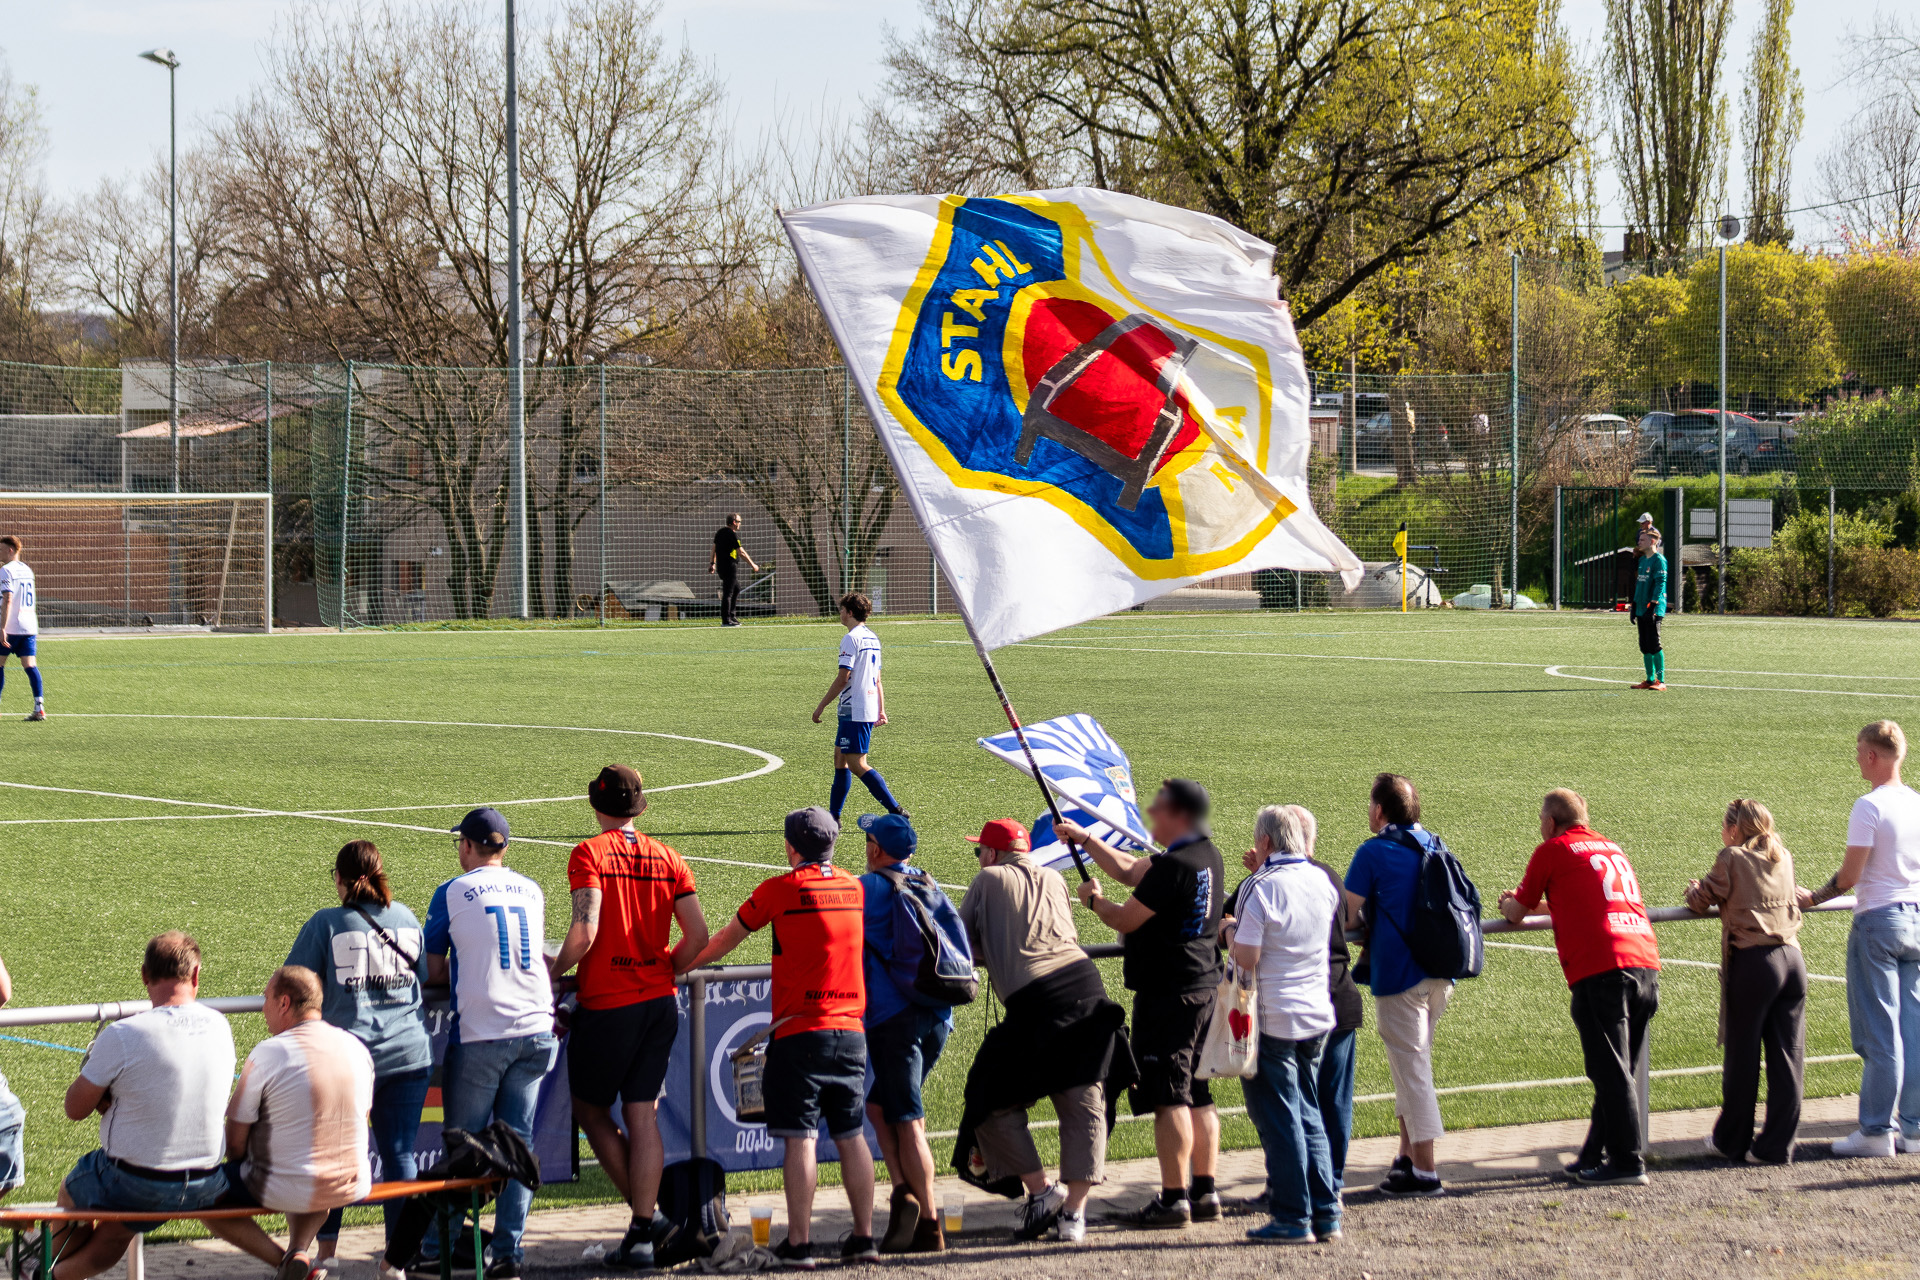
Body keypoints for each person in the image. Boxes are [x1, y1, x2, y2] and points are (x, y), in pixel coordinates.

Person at [685, 807, 876, 1269]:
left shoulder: (780, 889)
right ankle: (865, 1238)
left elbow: (727, 938)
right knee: (852, 1136)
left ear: (791, 846)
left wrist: (682, 967)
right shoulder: (854, 887)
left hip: (800, 1031)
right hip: (851, 1030)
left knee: (801, 1138)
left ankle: (801, 1243)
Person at [553, 765, 709, 1269]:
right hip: (658, 1001)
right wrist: (664, 969)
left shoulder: (589, 853)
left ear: (595, 805)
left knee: (590, 1110)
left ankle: (653, 1223)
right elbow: (698, 937)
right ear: (640, 807)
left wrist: (552, 973)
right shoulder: (669, 856)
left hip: (609, 1004)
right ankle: (644, 1229)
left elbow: (584, 932)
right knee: (643, 1114)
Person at [953, 818, 1132, 1245]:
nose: (979, 859)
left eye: (979, 851)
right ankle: (1073, 1215)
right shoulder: (1054, 877)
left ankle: (1042, 1191)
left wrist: (994, 951)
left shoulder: (987, 878)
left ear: (991, 854)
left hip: (1036, 1001)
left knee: (987, 1098)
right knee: (1084, 1104)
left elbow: (959, 944)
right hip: (1087, 989)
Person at [1059, 778, 1224, 1229]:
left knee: (1170, 1096)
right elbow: (1133, 870)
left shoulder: (1174, 867)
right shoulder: (1204, 854)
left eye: (1159, 808)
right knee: (1198, 1091)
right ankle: (1204, 1191)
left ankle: (1173, 1199)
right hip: (1203, 986)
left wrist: (1093, 902)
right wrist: (1086, 839)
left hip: (1170, 994)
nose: (1151, 814)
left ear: (1180, 815)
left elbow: (1126, 918)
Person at [418, 808, 557, 1280]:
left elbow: (433, 969)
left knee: (465, 1145)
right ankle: (507, 1253)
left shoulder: (453, 890)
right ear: (504, 848)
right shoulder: (531, 888)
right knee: (518, 1144)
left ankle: (438, 1246)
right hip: (537, 1026)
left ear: (467, 846)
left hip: (484, 1031)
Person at [46, 933, 235, 1280]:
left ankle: (43, 1267)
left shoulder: (123, 1034)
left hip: (139, 1184)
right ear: (196, 975)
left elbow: (74, 1108)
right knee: (114, 1232)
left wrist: (105, 1092)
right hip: (208, 1181)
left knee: (75, 1186)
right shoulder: (220, 1025)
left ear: (144, 975)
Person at [1498, 788, 1661, 1185]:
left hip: (1602, 968)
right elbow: (1576, 898)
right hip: (1644, 962)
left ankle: (1628, 1161)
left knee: (1610, 1073)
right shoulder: (1610, 847)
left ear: (1550, 822)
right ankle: (1593, 1154)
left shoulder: (1552, 850)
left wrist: (1508, 903)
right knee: (1619, 1070)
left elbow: (1517, 912)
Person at [284, 840, 431, 1272]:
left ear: (339, 879)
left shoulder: (326, 923)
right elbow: (423, 975)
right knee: (400, 1155)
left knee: (332, 1155)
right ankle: (396, 1261)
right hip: (408, 1053)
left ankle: (324, 1255)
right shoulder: (406, 917)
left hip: (347, 1059)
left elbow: (293, 982)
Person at [1222, 804, 1359, 1206]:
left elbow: (1247, 957)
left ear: (1265, 841)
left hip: (1277, 1016)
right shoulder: (1323, 879)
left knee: (1282, 1117)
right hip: (1320, 1010)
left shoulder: (1260, 885)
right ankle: (1325, 1206)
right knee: (1313, 1113)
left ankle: (1293, 1212)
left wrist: (1228, 932)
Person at [206, 966, 377, 1280]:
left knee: (200, 1195)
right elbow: (362, 1117)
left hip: (287, 1184)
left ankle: (283, 1263)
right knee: (313, 1169)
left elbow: (235, 1143)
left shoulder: (269, 1053)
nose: (263, 1008)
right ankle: (298, 1250)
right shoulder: (357, 1048)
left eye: (266, 998)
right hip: (350, 1182)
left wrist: (245, 1159)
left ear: (284, 1003)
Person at [1802, 720, 1920, 1158]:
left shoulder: (1869, 806)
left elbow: (1849, 877)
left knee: (1880, 1033)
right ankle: (1915, 1129)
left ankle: (1875, 1130)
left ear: (1872, 755)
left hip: (1879, 921)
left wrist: (1813, 897)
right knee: (1914, 1030)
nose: (1856, 759)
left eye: (1858, 752)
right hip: (1916, 918)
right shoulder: (1916, 802)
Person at [1343, 774, 1453, 1196]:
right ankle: (1406, 1158)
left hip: (1400, 975)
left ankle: (1426, 1172)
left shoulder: (1373, 851)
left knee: (1413, 1072)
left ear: (1379, 810)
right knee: (1411, 1068)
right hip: (1441, 970)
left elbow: (1347, 918)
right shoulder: (1436, 843)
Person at [1685, 799, 1805, 1164]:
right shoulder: (1782, 856)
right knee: (1788, 1057)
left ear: (1735, 830)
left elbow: (1700, 901)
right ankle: (1776, 1146)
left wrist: (1693, 889)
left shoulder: (1731, 857)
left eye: (1724, 828)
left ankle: (1732, 1140)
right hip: (1793, 960)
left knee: (1743, 1056)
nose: (1722, 834)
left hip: (1754, 963)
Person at [855, 814, 951, 1254]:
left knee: (909, 1119)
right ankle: (903, 1193)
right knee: (880, 1108)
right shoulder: (928, 881)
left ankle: (929, 1221)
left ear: (876, 849)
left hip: (894, 1018)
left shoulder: (867, 888)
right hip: (938, 1013)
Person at [812, 592, 904, 823]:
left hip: (855, 707)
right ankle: (834, 817)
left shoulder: (851, 638)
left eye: (842, 610)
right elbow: (877, 678)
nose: (840, 614)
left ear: (850, 612)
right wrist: (881, 709)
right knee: (840, 758)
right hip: (862, 706)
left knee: (857, 763)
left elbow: (843, 678)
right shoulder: (872, 637)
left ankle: (896, 810)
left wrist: (821, 706)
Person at [0, 535, 45, 721]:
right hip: (29, 626)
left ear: (10, 550)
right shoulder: (27, 569)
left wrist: (2, 628)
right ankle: (39, 707)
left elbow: (8, 599)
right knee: (30, 665)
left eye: (1, 549)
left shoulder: (6, 570)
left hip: (11, 626)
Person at [1630, 522, 1668, 691]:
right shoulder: (1642, 560)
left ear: (1652, 541)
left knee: (1654, 644)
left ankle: (1661, 681)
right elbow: (1639, 584)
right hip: (1641, 608)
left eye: (1642, 539)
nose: (1639, 542)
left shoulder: (1659, 560)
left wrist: (1652, 606)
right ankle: (1649, 679)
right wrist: (1634, 605)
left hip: (1653, 609)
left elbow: (1660, 584)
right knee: (1644, 645)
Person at [709, 513, 760, 627]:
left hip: (721, 567)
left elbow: (714, 549)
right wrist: (753, 565)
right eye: (739, 522)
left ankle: (731, 616)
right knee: (728, 593)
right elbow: (741, 552)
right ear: (734, 522)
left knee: (736, 589)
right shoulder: (732, 534)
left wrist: (712, 563)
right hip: (730, 566)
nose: (740, 524)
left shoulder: (720, 532)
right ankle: (726, 620)